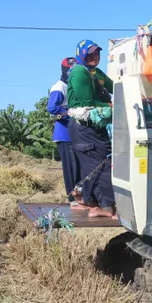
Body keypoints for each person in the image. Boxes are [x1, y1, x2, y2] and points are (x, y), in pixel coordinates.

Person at [67, 40, 116, 218]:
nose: (95, 57)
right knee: (99, 164)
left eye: (97, 53)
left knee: (98, 162)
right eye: (90, 54)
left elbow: (114, 86)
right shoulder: (79, 72)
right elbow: (87, 103)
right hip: (84, 127)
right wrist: (110, 104)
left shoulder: (94, 72)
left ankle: (86, 197)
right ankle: (99, 206)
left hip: (93, 128)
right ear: (81, 55)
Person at [47, 57, 80, 205]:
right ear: (65, 71)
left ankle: (80, 195)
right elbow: (52, 108)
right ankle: (72, 198)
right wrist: (70, 111)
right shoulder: (59, 87)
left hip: (76, 133)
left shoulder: (74, 86)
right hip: (64, 134)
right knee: (71, 166)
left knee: (79, 165)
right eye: (70, 71)